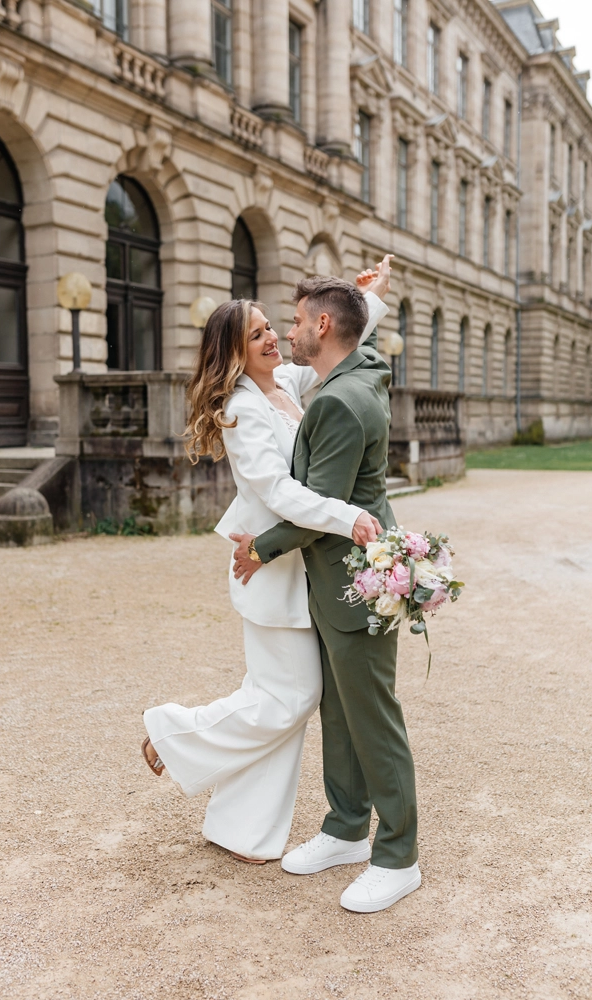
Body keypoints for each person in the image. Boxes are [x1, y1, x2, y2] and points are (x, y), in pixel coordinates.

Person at [140, 261, 392, 864]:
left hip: (295, 569)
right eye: (257, 335)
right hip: (267, 566)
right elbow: (277, 492)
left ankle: (243, 829)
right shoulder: (240, 410)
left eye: (271, 327)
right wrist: (344, 516)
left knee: (285, 702)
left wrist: (366, 300)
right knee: (292, 699)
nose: (274, 336)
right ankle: (171, 732)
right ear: (234, 352)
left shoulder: (289, 385)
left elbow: (339, 347)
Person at [231, 272, 420, 912]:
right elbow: (356, 327)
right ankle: (345, 829)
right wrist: (370, 296)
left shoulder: (338, 401)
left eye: (294, 319)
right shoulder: (356, 371)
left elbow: (320, 504)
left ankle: (398, 856)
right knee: (339, 711)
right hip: (340, 579)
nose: (285, 331)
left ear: (321, 327)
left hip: (351, 581)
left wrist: (261, 546)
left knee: (372, 717)